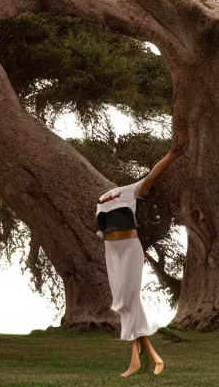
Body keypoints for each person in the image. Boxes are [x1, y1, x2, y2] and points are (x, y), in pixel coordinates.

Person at [96, 146, 183, 377]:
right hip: (111, 250)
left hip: (129, 248)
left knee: (129, 300)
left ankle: (138, 360)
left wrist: (171, 155)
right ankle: (151, 357)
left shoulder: (126, 192)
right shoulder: (103, 199)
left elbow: (153, 176)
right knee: (124, 302)